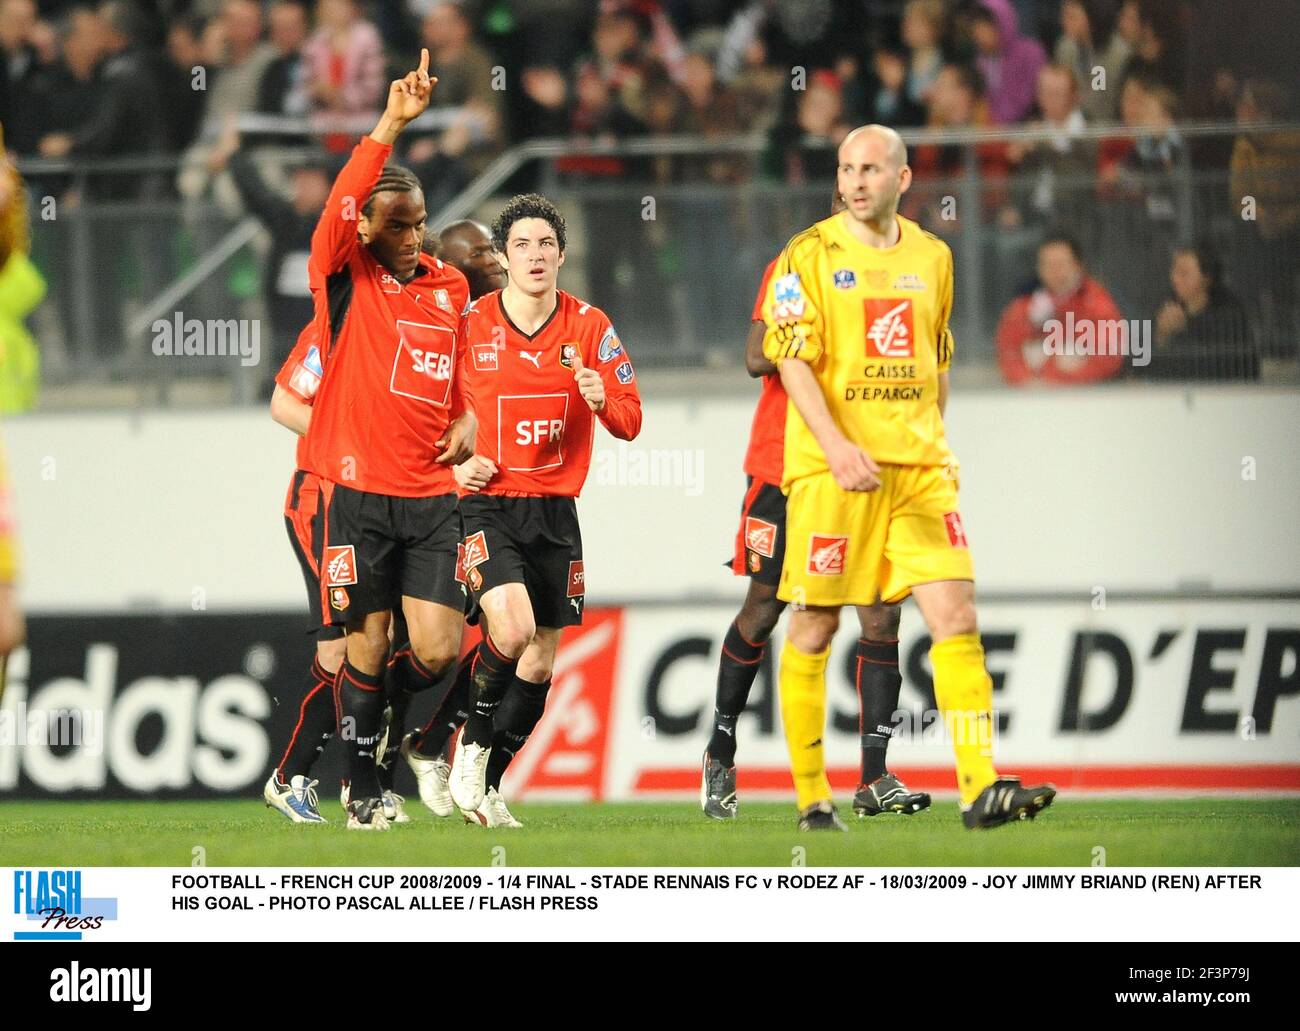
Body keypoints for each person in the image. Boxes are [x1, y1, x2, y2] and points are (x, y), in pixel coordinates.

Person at [764, 124, 1057, 830]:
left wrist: (935, 439)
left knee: (955, 615)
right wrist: (833, 445)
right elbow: (790, 359)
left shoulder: (933, 256)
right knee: (813, 625)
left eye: (869, 169)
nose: (855, 181)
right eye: (845, 169)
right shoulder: (806, 254)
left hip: (920, 473)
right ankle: (811, 796)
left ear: (902, 178)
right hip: (836, 473)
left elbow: (938, 357)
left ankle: (980, 786)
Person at [702, 189, 928, 823]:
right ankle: (721, 749)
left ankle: (874, 778)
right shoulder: (799, 263)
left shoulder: (907, 270)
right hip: (786, 464)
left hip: (867, 467)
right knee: (767, 605)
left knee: (881, 614)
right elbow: (755, 355)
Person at [299, 48, 477, 830]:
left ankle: (373, 742)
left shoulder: (452, 286)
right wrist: (391, 124)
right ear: (364, 227)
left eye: (418, 222)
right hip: (359, 490)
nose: (410, 236)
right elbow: (338, 204)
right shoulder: (347, 279)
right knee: (365, 642)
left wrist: (467, 415)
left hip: (432, 496)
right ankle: (363, 787)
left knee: (437, 645)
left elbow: (463, 374)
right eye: (393, 224)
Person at [425, 193, 642, 828]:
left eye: (546, 244)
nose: (536, 255)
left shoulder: (591, 326)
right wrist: (455, 463)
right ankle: (470, 745)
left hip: (555, 510)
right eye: (521, 245)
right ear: (503, 257)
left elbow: (631, 421)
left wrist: (603, 400)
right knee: (511, 630)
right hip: (486, 503)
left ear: (563, 255)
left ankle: (488, 784)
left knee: (540, 661)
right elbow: (431, 414)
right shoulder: (469, 325)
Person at [996, 232, 1126, 386]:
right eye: (1047, 264)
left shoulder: (1098, 304)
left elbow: (1108, 358)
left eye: (1061, 264)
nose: (1054, 271)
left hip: (1087, 397)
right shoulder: (1025, 305)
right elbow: (1007, 352)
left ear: (1079, 265)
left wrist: (1055, 379)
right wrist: (1028, 381)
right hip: (1033, 397)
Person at [1150, 244, 1258, 381]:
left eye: (1184, 273)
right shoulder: (1164, 305)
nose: (1174, 279)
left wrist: (1185, 329)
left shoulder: (1228, 314)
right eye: (1173, 270)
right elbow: (1143, 364)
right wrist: (1161, 336)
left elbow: (1226, 365)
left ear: (1207, 278)